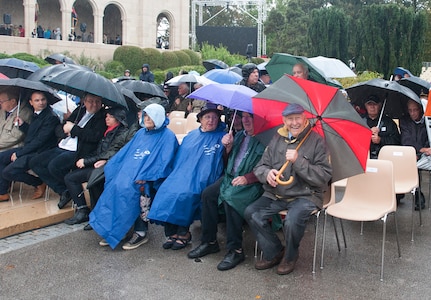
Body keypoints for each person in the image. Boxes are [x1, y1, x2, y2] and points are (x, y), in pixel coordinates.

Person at [244, 103, 332, 275]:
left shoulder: (317, 142)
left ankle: (290, 256)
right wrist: (267, 173)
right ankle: (275, 251)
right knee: (251, 212)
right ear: (284, 120)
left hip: (306, 195)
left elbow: (324, 176)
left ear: (305, 118)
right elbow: (260, 166)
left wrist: (299, 161)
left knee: (291, 221)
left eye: (297, 118)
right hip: (277, 194)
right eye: (290, 119)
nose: (294, 123)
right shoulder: (277, 138)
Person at [90, 104, 179, 250]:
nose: (147, 119)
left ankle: (140, 232)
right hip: (130, 173)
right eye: (145, 116)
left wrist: (148, 176)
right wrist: (112, 165)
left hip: (148, 179)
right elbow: (125, 153)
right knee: (115, 187)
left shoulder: (167, 137)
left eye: (151, 116)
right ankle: (117, 230)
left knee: (131, 190)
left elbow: (165, 161)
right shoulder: (141, 133)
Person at [187, 111, 265, 271]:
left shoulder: (265, 139)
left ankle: (235, 250)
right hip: (231, 177)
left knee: (231, 199)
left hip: (252, 182)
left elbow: (269, 167)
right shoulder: (238, 136)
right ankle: (209, 242)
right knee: (208, 194)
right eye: (243, 117)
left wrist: (247, 178)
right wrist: (227, 149)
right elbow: (226, 163)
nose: (246, 120)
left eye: (250, 117)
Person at [148, 106, 226, 250]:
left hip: (204, 176)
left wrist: (228, 146)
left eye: (215, 117)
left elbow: (223, 161)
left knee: (186, 193)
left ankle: (183, 233)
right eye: (207, 117)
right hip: (183, 173)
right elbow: (180, 158)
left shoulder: (222, 137)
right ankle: (172, 232)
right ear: (200, 120)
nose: (211, 120)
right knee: (166, 189)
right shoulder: (191, 136)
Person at [29, 94, 106, 209]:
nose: (94, 104)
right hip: (64, 144)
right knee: (35, 162)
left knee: (54, 166)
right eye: (90, 101)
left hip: (79, 150)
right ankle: (65, 190)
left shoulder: (102, 116)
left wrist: (74, 129)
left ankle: (71, 193)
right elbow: (62, 126)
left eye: (97, 101)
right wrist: (65, 130)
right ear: (84, 101)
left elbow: (95, 136)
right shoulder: (80, 110)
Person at [63, 108, 129, 225]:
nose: (106, 119)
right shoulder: (107, 131)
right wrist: (85, 159)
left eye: (110, 117)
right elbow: (99, 151)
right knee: (70, 177)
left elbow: (109, 152)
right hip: (97, 164)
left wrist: (87, 161)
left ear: (118, 119)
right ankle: (83, 209)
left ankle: (97, 216)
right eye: (106, 116)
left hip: (106, 166)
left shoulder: (120, 133)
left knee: (93, 183)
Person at [0, 91, 60, 202]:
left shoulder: (51, 117)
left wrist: (19, 153)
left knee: (8, 172)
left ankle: (38, 182)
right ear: (31, 102)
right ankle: (2, 192)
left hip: (40, 152)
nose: (41, 103)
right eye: (37, 100)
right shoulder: (36, 114)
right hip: (29, 148)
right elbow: (33, 133)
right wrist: (23, 125)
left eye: (43, 99)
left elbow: (40, 141)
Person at [400, 99, 428, 210]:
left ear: (420, 109)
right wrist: (419, 150)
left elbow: (428, 139)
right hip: (411, 151)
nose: (412, 113)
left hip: (426, 153)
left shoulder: (427, 121)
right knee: (408, 162)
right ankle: (415, 192)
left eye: (415, 110)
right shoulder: (405, 120)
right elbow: (406, 140)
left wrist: (424, 151)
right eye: (410, 110)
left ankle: (417, 194)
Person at [362, 95, 400, 159]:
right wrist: (367, 133)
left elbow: (396, 141)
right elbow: (353, 139)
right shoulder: (360, 121)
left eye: (375, 104)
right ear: (365, 106)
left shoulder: (389, 122)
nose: (372, 107)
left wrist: (380, 140)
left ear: (379, 106)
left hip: (385, 158)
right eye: (369, 104)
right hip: (364, 157)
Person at [0, 88, 33, 152]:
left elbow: (16, 136)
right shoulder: (2, 112)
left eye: (1, 101)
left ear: (12, 101)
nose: (0, 103)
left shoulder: (25, 113)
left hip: (11, 149)